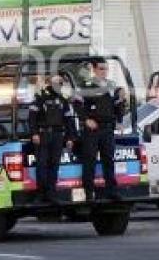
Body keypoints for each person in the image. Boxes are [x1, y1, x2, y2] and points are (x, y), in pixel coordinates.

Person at [75, 59, 125, 201]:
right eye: (102, 69)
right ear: (95, 70)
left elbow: (118, 104)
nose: (104, 71)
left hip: (107, 128)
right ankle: (89, 193)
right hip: (92, 129)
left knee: (108, 160)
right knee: (89, 160)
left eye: (106, 69)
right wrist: (85, 119)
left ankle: (111, 191)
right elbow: (77, 104)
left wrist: (119, 121)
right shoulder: (86, 85)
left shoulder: (111, 86)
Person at [28, 74, 77, 204]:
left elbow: (68, 120)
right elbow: (32, 118)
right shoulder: (41, 97)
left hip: (57, 136)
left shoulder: (63, 99)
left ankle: (51, 193)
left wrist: (70, 137)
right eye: (56, 82)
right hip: (43, 135)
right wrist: (34, 133)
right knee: (42, 165)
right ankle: (41, 194)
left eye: (61, 83)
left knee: (54, 165)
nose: (59, 85)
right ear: (50, 83)